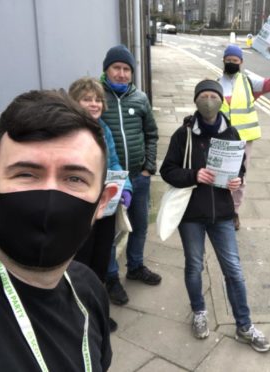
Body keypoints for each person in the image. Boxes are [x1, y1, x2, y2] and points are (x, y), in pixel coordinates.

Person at [0, 90, 117, 370]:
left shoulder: (89, 290)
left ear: (102, 202)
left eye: (74, 178)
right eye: (26, 174)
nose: (49, 197)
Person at [160, 80, 270, 353]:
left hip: (222, 213)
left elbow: (240, 169)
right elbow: (167, 170)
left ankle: (244, 325)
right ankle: (199, 312)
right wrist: (193, 175)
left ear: (222, 101)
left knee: (233, 270)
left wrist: (237, 181)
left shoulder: (232, 134)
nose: (209, 100)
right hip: (192, 215)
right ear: (196, 100)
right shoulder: (182, 135)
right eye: (204, 96)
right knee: (194, 266)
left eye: (214, 96)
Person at [69, 77, 133, 331]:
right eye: (87, 99)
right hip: (80, 210)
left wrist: (125, 188)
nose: (94, 104)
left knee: (100, 261)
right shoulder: (67, 131)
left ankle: (96, 314)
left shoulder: (103, 130)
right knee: (79, 265)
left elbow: (114, 161)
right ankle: (77, 316)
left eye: (97, 99)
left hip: (105, 207)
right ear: (74, 102)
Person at [101, 45, 161, 307]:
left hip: (139, 176)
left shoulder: (140, 98)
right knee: (109, 232)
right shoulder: (97, 97)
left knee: (138, 225)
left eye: (127, 69)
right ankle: (111, 277)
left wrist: (148, 167)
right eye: (117, 68)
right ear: (107, 70)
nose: (122, 74)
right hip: (109, 181)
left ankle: (135, 266)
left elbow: (151, 134)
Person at [219, 43, 270, 230]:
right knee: (222, 178)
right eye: (229, 60)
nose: (231, 63)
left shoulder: (248, 80)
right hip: (222, 139)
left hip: (243, 139)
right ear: (223, 61)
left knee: (239, 179)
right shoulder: (216, 82)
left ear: (241, 62)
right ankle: (222, 210)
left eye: (235, 60)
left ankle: (234, 213)